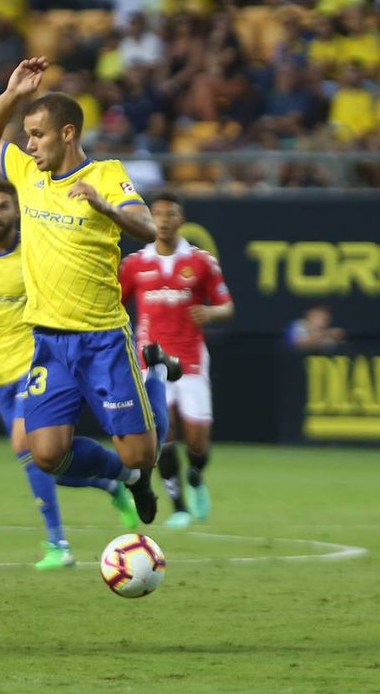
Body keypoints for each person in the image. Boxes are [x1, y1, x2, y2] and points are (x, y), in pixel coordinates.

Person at [0, 56, 180, 529]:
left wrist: (107, 208)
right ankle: (126, 478)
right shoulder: (28, 174)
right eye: (27, 135)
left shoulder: (106, 174)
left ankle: (158, 375)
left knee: (143, 452)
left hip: (103, 339)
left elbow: (147, 227)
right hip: (50, 341)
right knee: (45, 454)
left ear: (67, 133)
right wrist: (13, 94)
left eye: (37, 135)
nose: (29, 144)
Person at [0, 177, 138, 569]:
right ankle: (113, 482)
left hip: (38, 361)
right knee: (45, 460)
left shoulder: (36, 248)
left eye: (4, 206)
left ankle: (57, 544)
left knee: (25, 442)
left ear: (17, 210)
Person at [119, 192, 234, 529]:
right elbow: (114, 304)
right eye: (157, 214)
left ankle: (196, 476)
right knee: (163, 433)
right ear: (150, 219)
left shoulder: (200, 262)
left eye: (170, 214)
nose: (164, 220)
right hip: (153, 360)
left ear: (181, 220)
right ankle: (179, 507)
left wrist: (211, 313)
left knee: (197, 441)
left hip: (191, 360)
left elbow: (227, 306)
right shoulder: (135, 264)